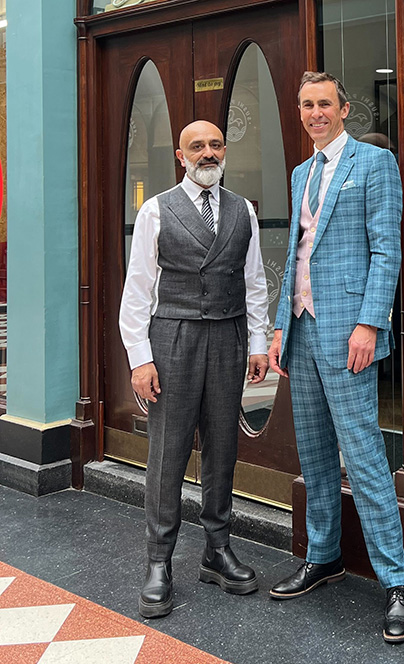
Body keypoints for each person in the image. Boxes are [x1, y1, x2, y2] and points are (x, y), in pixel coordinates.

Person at [267, 71, 404, 643]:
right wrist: (280, 326)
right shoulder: (300, 172)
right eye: (307, 105)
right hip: (302, 331)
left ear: (344, 109)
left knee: (365, 456)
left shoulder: (374, 164)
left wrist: (369, 323)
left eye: (324, 104)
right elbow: (297, 255)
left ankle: (397, 582)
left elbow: (386, 251)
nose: (315, 113)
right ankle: (324, 555)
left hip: (349, 333)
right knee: (314, 453)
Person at [119, 120, 270, 619]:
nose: (208, 153)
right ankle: (158, 561)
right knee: (169, 450)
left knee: (223, 446)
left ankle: (217, 550)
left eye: (215, 145)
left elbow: (254, 283)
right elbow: (138, 290)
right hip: (174, 338)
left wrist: (258, 343)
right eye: (197, 146)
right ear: (181, 157)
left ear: (224, 152)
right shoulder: (155, 209)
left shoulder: (243, 210)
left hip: (228, 337)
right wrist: (140, 358)